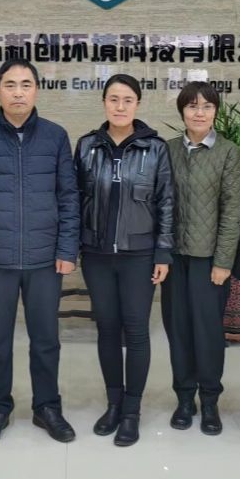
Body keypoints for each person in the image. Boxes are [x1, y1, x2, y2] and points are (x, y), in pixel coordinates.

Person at [0, 57, 80, 448]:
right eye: (10, 85)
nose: (18, 92)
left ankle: (47, 407)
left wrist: (67, 248)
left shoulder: (55, 136)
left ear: (37, 90)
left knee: (46, 340)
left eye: (26, 84)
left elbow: (69, 197)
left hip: (45, 260)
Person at [73, 74, 174, 447]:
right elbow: (74, 199)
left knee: (136, 331)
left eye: (127, 100)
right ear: (104, 102)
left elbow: (166, 203)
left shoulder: (155, 149)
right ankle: (114, 404)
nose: (120, 106)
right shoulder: (87, 146)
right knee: (107, 330)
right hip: (97, 254)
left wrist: (162, 252)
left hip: (139, 255)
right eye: (113, 99)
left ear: (137, 104)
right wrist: (73, 246)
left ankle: (132, 411)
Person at [163, 82, 240, 435]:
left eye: (207, 106)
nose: (199, 112)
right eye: (192, 106)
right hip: (173, 259)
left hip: (209, 262)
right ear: (182, 111)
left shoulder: (228, 153)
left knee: (208, 334)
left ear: (216, 112)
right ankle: (184, 398)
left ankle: (210, 400)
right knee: (178, 330)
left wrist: (223, 261)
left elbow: (232, 211)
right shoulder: (167, 150)